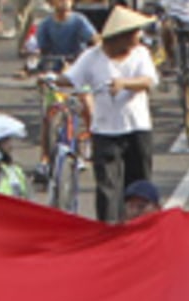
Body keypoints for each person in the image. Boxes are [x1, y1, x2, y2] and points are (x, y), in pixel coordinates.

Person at [61, 6, 155, 224]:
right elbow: (71, 78)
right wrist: (51, 78)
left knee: (139, 185)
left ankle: (141, 228)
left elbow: (147, 81)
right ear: (120, 36)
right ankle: (108, 231)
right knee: (107, 187)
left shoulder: (140, 54)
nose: (138, 36)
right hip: (105, 130)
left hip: (137, 128)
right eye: (135, 32)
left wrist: (124, 83)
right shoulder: (92, 57)